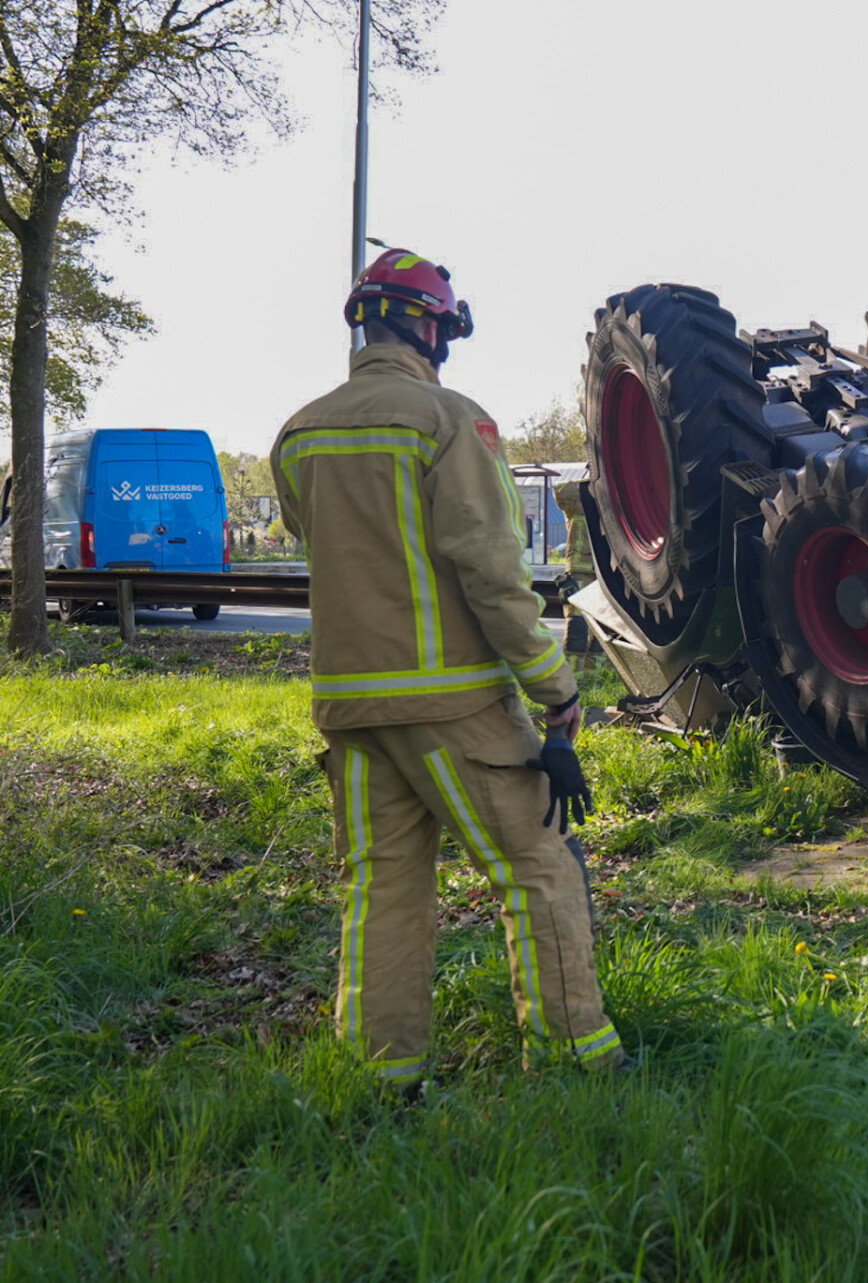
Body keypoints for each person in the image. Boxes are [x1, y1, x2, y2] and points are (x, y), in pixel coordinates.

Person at [272, 249, 624, 1091]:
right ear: (432, 328)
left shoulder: (298, 434)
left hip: (349, 711)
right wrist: (557, 690)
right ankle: (576, 1064)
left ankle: (381, 1080)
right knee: (535, 866)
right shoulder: (447, 421)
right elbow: (492, 576)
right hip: (453, 705)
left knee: (383, 890)